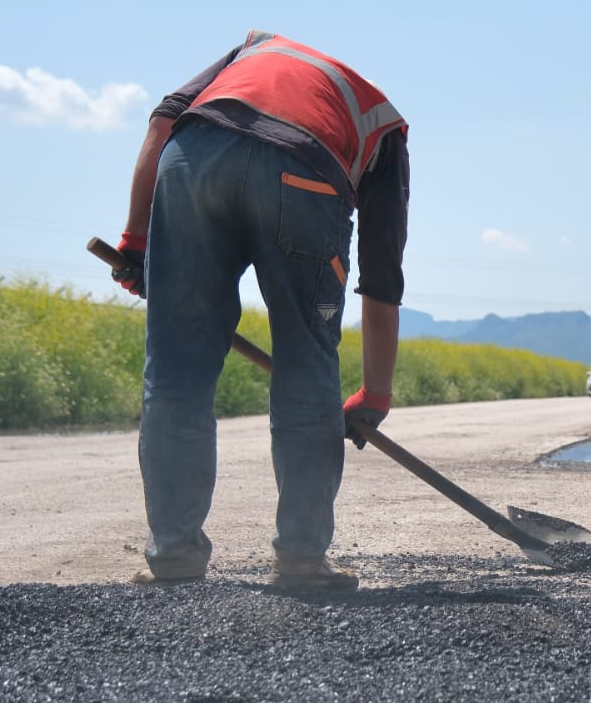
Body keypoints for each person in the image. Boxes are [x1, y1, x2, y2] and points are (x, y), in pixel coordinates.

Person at [113, 30, 410, 589]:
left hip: (193, 162)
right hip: (304, 175)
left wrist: (135, 238)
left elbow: (161, 123)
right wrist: (375, 394)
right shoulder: (385, 126)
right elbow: (381, 280)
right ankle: (301, 560)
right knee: (306, 364)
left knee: (177, 369)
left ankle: (174, 558)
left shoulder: (253, 48)